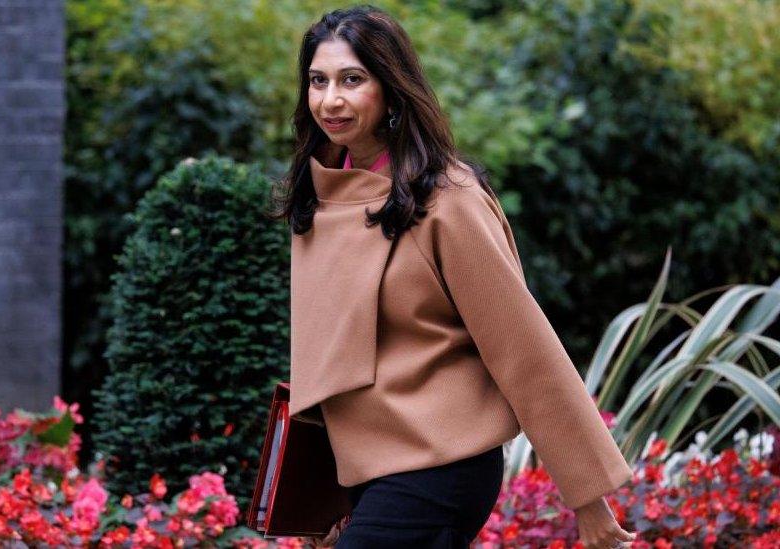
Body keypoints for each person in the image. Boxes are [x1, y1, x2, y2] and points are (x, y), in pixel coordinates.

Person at [268, 5, 638, 549]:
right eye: (318, 82)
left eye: (352, 80)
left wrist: (588, 497)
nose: (331, 100)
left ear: (392, 88)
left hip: (441, 464)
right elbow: (331, 363)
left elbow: (523, 349)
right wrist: (325, 498)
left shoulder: (446, 200)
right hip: (367, 473)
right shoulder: (317, 200)